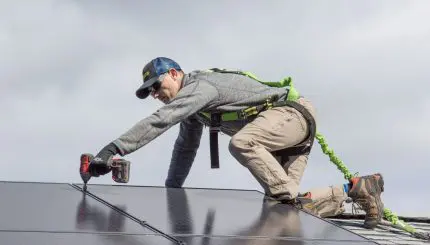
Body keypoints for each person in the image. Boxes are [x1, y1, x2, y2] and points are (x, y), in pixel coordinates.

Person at [88, 57, 384, 229]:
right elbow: (184, 150)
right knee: (283, 213)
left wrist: (113, 149)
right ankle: (358, 190)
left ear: (175, 74)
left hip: (292, 116)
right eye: (150, 92)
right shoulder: (194, 112)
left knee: (242, 143)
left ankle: (305, 194)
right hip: (283, 140)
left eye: (157, 86)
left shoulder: (199, 87)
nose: (155, 93)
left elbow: (160, 120)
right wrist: (172, 199)